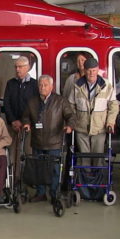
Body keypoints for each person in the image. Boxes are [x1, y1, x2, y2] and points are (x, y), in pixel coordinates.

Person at [21, 75, 75, 203]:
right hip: (37, 141)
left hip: (55, 142)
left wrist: (70, 126)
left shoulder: (60, 101)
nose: (42, 87)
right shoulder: (32, 101)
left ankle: (54, 193)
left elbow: (70, 116)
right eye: (40, 85)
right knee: (39, 168)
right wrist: (26, 123)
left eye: (45, 85)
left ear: (51, 86)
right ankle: (41, 193)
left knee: (55, 169)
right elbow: (25, 116)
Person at [68, 58, 118, 162]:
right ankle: (84, 178)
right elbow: (70, 106)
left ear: (98, 69)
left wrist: (110, 122)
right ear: (85, 70)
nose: (91, 73)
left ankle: (97, 178)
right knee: (83, 158)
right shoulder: (77, 86)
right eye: (89, 70)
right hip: (81, 127)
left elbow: (113, 105)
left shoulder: (106, 85)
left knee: (98, 157)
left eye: (94, 70)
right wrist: (73, 122)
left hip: (100, 127)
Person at [5, 56, 38, 157]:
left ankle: (27, 173)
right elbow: (7, 103)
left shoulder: (34, 84)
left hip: (28, 125)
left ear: (27, 67)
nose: (17, 69)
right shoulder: (10, 83)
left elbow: (36, 106)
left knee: (28, 152)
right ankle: (13, 173)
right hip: (13, 125)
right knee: (12, 152)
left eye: (20, 67)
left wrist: (27, 122)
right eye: (16, 67)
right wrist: (13, 120)